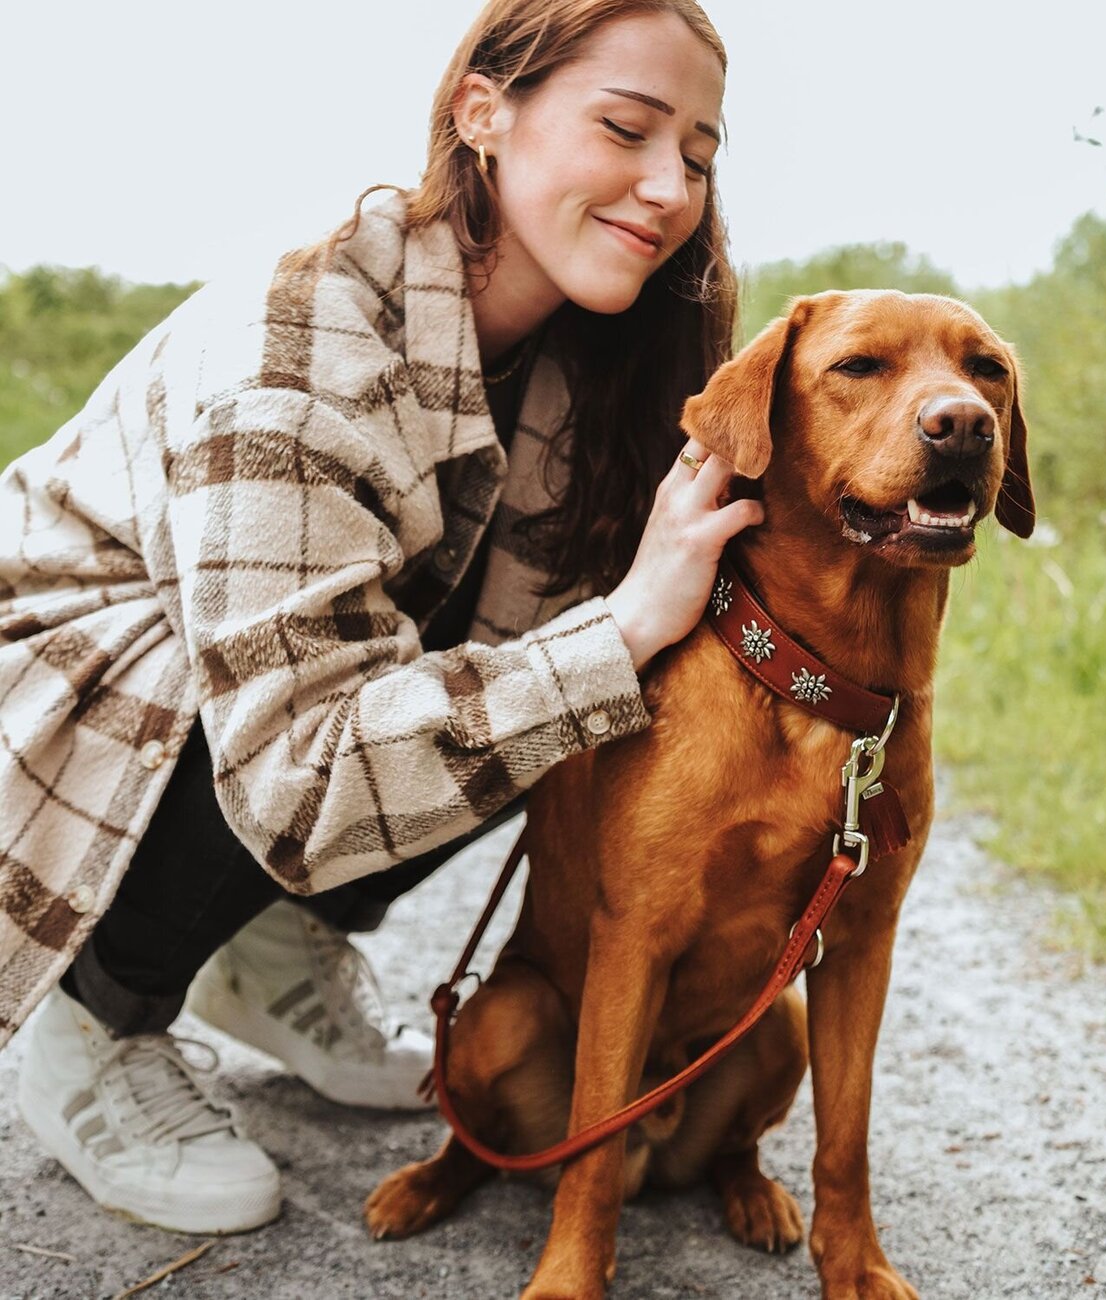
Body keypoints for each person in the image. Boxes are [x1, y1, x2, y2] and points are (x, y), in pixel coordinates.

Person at [0, 0, 764, 1235]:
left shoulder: (585, 363)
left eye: (697, 153)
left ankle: (275, 949)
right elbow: (299, 768)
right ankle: (102, 1016)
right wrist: (617, 631)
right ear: (483, 115)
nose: (668, 186)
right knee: (572, 661)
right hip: (65, 695)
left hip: (272, 727)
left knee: (553, 666)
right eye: (625, 129)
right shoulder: (296, 352)